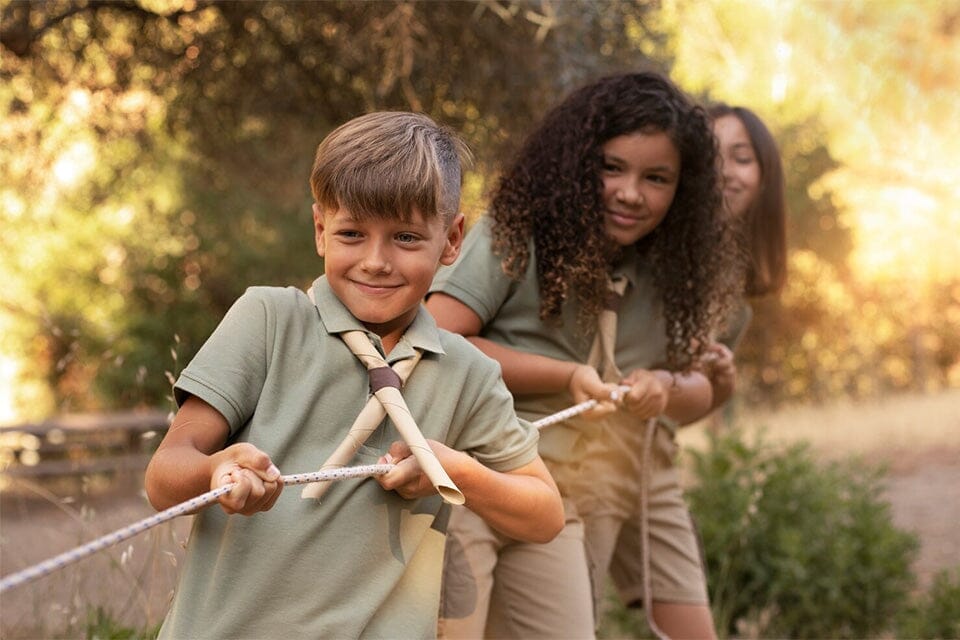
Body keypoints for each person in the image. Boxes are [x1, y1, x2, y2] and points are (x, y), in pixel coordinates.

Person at [144, 111, 564, 639]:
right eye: (351, 233)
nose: (376, 261)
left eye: (406, 237)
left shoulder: (470, 373)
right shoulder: (268, 320)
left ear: (452, 239)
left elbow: (545, 513)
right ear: (321, 230)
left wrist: (452, 469)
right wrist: (216, 471)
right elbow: (163, 477)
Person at [426, 73, 740, 639]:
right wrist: (566, 375)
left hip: (563, 500)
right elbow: (440, 338)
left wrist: (665, 388)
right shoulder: (517, 232)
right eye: (611, 167)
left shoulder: (674, 271)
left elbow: (691, 395)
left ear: (683, 188)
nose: (630, 192)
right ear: (575, 164)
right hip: (476, 474)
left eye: (657, 178)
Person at [607, 103, 788, 622]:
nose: (726, 170)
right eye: (712, 154)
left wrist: (718, 389)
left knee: (691, 626)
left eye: (742, 157)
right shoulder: (634, 246)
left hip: (648, 463)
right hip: (580, 454)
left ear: (764, 177)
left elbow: (680, 408)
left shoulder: (734, 304)